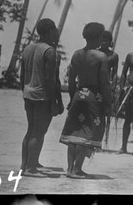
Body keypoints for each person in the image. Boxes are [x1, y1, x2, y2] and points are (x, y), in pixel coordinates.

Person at [59, 22, 112, 178]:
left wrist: (72, 98)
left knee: (74, 131)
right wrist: (108, 104)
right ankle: (77, 169)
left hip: (78, 94)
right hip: (93, 96)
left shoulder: (77, 54)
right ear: (98, 37)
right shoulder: (101, 56)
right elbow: (104, 83)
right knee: (86, 133)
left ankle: (70, 169)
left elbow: (71, 80)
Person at [20, 18, 64, 177]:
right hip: (42, 96)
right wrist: (55, 102)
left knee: (31, 130)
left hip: (29, 94)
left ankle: (27, 164)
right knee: (38, 132)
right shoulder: (49, 51)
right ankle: (30, 169)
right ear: (51, 31)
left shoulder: (27, 48)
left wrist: (24, 94)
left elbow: (22, 76)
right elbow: (50, 80)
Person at [98, 30, 119, 146]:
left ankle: (100, 141)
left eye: (106, 40)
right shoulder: (94, 53)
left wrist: (113, 86)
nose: (104, 42)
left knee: (103, 115)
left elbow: (115, 73)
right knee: (94, 113)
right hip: (95, 87)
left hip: (106, 87)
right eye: (102, 40)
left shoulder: (113, 56)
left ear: (110, 42)